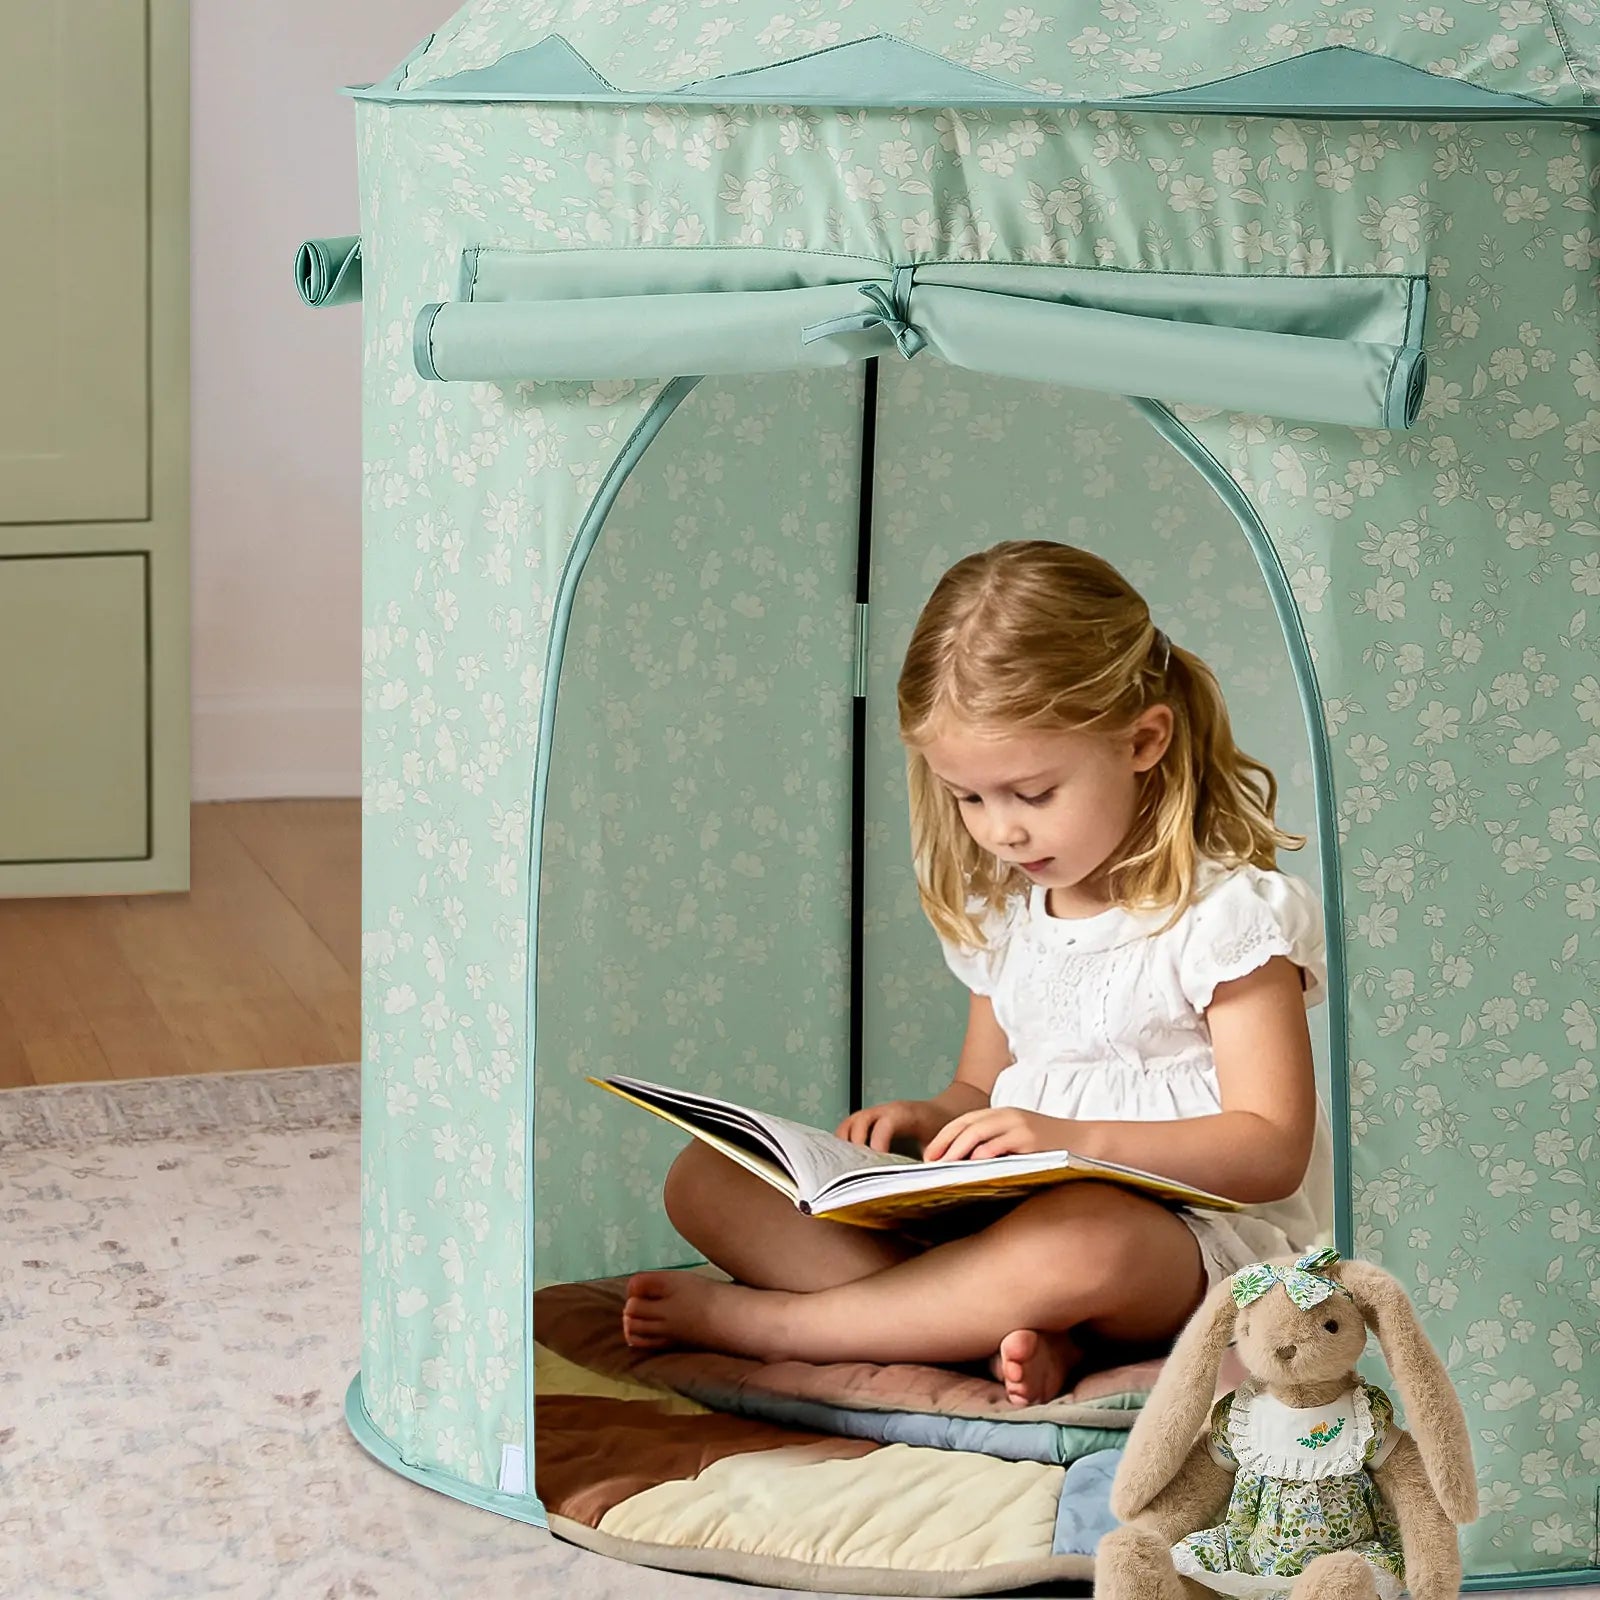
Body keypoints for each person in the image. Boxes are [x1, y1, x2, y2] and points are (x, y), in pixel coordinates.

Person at [623, 539, 1333, 1406]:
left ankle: (772, 1326)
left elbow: (1272, 1149)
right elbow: (978, 1088)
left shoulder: (1229, 919)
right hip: (1007, 1239)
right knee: (707, 1177)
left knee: (1085, 1239)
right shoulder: (1007, 917)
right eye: (968, 796)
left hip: (1184, 1248)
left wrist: (1077, 1143)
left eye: (1032, 794)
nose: (1002, 831)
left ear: (1143, 741)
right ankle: (977, 1324)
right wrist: (927, 1120)